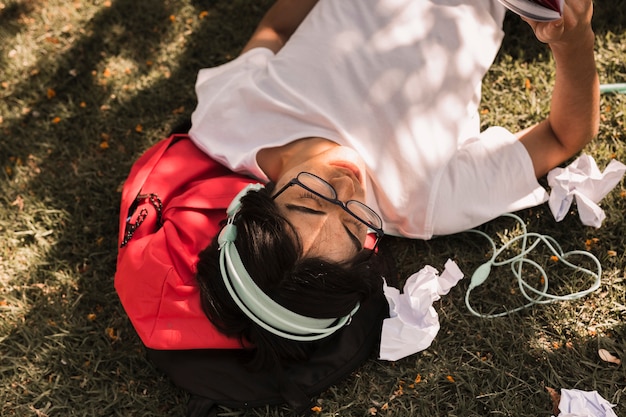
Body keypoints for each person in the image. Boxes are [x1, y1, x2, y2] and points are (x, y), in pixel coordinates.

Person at [114, 0, 598, 405]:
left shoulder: (224, 117)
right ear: (367, 248)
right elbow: (563, 135)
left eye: (310, 197)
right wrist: (573, 43)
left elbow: (277, 27)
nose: (346, 187)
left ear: (253, 199)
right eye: (352, 223)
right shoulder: (426, 202)